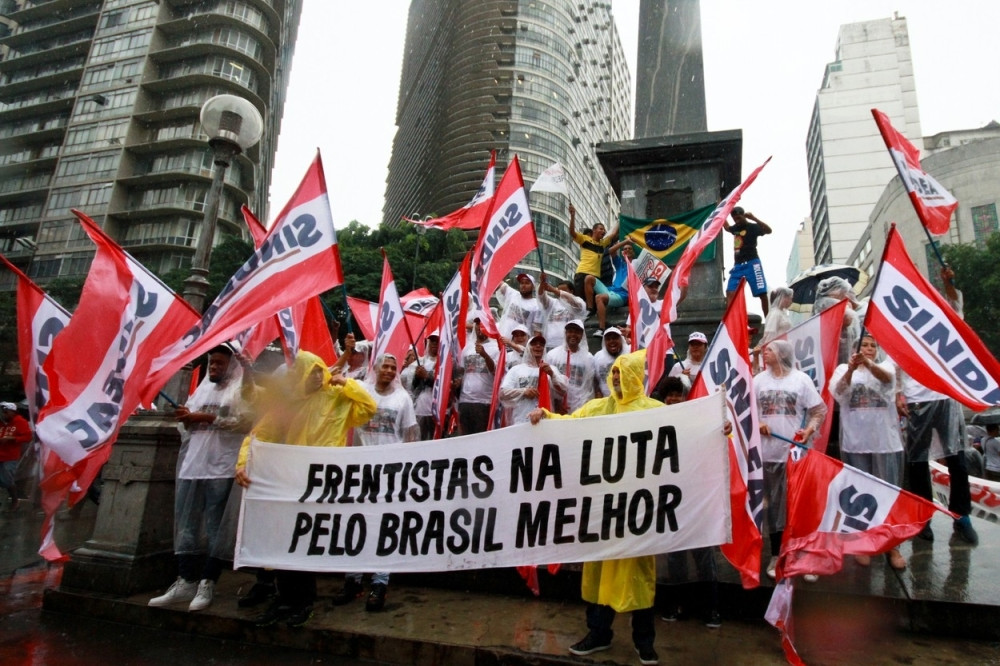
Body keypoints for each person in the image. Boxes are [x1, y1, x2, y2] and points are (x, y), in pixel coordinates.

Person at [527, 351, 662, 665]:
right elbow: (569, 425)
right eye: (613, 373)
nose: (616, 379)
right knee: (600, 573)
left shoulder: (655, 411)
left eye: (621, 374)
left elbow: (686, 432)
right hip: (602, 508)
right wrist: (544, 418)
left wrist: (717, 427)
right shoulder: (598, 408)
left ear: (635, 376)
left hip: (636, 511)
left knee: (638, 577)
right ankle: (598, 633)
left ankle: (645, 642)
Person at [235, 350, 376, 628]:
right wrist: (243, 464)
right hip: (290, 480)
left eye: (317, 370)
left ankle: (303, 602)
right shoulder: (289, 404)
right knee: (284, 541)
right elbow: (260, 435)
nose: (314, 377)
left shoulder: (337, 396)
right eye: (308, 372)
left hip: (322, 483)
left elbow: (368, 408)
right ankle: (283, 599)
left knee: (306, 542)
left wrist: (347, 384)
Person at [148, 343, 253, 611]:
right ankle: (185, 580)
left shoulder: (240, 390)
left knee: (216, 526)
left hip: (221, 466)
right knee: (186, 524)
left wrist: (205, 417)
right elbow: (189, 423)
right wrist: (186, 418)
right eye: (211, 363)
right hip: (193, 464)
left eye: (220, 363)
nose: (215, 368)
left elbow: (245, 423)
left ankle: (208, 582)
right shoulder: (202, 389)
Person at [896, 265, 978, 545]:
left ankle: (961, 516)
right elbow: (896, 361)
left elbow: (956, 302)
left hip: (945, 397)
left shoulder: (945, 317)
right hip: (917, 401)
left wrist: (949, 282)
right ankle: (923, 518)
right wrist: (898, 393)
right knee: (917, 462)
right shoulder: (903, 323)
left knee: (957, 459)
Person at [333, 353, 418, 612]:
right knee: (355, 523)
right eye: (386, 366)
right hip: (360, 467)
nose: (390, 371)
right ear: (376, 368)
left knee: (384, 527)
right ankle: (353, 580)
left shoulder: (403, 398)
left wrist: (408, 468)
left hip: (389, 471)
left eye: (394, 367)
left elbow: (411, 435)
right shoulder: (361, 390)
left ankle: (380, 583)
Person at [830, 334, 906, 570]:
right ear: (856, 348)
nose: (869, 348)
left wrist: (869, 364)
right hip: (856, 441)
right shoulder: (843, 368)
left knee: (887, 493)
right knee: (860, 493)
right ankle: (863, 543)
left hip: (885, 442)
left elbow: (887, 381)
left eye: (873, 345)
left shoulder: (885, 365)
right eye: (865, 344)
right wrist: (852, 369)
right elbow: (838, 391)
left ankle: (892, 545)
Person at [756, 340, 827, 582]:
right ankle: (777, 555)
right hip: (768, 455)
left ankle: (804, 555)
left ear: (783, 354)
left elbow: (819, 410)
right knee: (775, 507)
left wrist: (809, 430)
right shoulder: (758, 381)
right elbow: (746, 410)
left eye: (770, 350)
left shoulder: (801, 380)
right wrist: (757, 423)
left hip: (795, 454)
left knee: (799, 505)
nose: (765, 352)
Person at [656, 377, 722, 629]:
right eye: (669, 395)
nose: (673, 399)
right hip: (671, 500)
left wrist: (723, 429)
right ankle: (676, 604)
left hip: (697, 498)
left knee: (704, 556)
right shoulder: (656, 422)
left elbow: (716, 438)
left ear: (685, 397)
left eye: (677, 394)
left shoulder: (697, 421)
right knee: (675, 558)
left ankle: (711, 608)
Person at [569, 203, 618, 314]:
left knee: (594, 305)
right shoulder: (585, 239)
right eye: (601, 229)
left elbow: (613, 234)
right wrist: (572, 216)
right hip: (582, 273)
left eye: (604, 230)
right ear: (594, 230)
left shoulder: (602, 243)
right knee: (580, 303)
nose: (603, 231)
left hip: (596, 278)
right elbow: (572, 232)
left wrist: (620, 220)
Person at [499, 333, 557, 425]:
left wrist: (553, 375)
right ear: (527, 348)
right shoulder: (516, 370)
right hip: (520, 420)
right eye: (534, 344)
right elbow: (502, 393)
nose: (538, 346)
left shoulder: (550, 369)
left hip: (545, 421)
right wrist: (523, 392)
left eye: (541, 344)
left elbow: (562, 391)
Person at [723, 207, 772, 315]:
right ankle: (730, 320)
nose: (737, 221)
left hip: (753, 263)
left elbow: (769, 231)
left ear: (744, 215)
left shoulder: (753, 227)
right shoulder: (736, 228)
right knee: (730, 292)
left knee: (762, 293)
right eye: (735, 219)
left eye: (739, 218)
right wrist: (721, 211)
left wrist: (754, 218)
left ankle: (768, 319)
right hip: (738, 266)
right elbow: (727, 227)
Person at [457, 319, 500, 435]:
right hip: (465, 400)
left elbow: (496, 372)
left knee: (481, 438)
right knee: (465, 437)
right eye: (477, 325)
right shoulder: (467, 348)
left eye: (483, 325)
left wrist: (485, 355)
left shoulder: (496, 347)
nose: (479, 328)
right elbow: (462, 370)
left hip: (485, 401)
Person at [543, 319, 596, 414]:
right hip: (557, 408)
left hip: (580, 407)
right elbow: (547, 382)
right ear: (565, 333)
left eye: (577, 332)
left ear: (582, 335)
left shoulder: (589, 358)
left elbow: (589, 386)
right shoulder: (552, 355)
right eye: (570, 331)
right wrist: (556, 403)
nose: (573, 335)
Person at [594, 240, 635, 336]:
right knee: (589, 279)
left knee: (599, 297)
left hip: (622, 295)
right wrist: (625, 242)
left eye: (629, 248)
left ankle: (601, 329)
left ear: (633, 252)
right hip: (610, 291)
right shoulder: (620, 263)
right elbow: (610, 251)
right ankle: (589, 309)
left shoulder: (637, 265)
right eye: (625, 249)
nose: (627, 250)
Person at [537, 275, 587, 350]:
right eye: (559, 290)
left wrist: (554, 290)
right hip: (549, 344)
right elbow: (541, 296)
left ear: (571, 291)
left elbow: (575, 303)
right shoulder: (552, 302)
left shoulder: (578, 301)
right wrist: (542, 283)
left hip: (569, 345)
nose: (559, 293)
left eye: (564, 290)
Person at [0, 401, 31, 511]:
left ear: (13, 412)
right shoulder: (1, 422)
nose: (4, 414)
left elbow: (28, 437)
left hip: (10, 456)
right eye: (3, 412)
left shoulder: (20, 422)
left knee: (7, 479)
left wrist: (12, 439)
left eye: (6, 412)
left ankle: (15, 500)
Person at [495, 273, 542, 339]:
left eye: (527, 283)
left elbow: (537, 331)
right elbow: (498, 282)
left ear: (533, 287)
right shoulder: (513, 294)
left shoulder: (537, 306)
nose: (523, 285)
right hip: (501, 339)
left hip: (518, 344)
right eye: (522, 283)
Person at [593, 328, 629, 397]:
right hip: (607, 401)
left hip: (628, 400)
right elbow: (595, 381)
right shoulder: (598, 357)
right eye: (608, 339)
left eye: (615, 338)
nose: (612, 341)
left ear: (621, 339)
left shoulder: (630, 352)